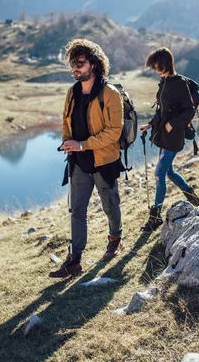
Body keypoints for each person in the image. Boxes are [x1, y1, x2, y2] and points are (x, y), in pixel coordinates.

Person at [49, 39, 125, 278]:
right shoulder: (72, 92)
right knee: (76, 210)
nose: (75, 68)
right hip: (79, 164)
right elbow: (65, 121)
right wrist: (68, 142)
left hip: (104, 161)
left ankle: (115, 238)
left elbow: (115, 131)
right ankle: (75, 259)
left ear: (94, 64)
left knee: (109, 205)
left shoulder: (109, 93)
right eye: (73, 63)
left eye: (80, 63)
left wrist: (83, 144)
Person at [139, 47, 199, 231]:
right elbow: (162, 110)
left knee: (159, 174)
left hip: (173, 136)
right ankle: (192, 196)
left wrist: (172, 124)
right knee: (169, 172)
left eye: (159, 66)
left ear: (167, 64)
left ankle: (155, 216)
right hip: (162, 135)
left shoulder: (179, 83)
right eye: (154, 67)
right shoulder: (164, 81)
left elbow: (189, 110)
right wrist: (150, 125)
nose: (157, 70)